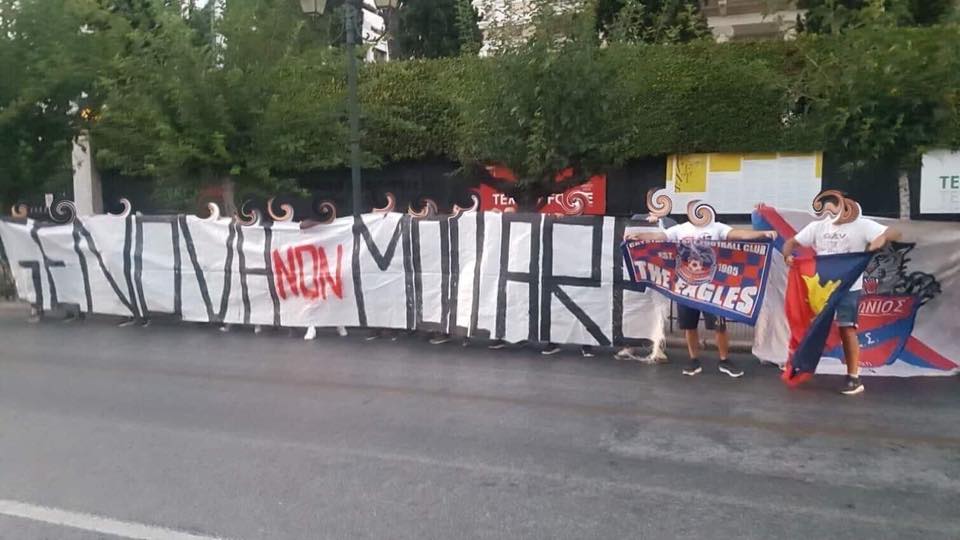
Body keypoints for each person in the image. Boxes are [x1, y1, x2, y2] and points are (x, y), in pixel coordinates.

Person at [782, 195, 901, 395]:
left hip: (848, 287)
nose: (830, 210)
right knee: (807, 325)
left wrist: (882, 238)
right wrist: (787, 256)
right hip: (822, 287)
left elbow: (895, 232)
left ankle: (853, 378)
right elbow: (791, 242)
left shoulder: (862, 225)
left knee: (847, 329)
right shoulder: (818, 227)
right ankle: (799, 364)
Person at [627, 217, 776, 377]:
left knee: (719, 326)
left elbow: (739, 234)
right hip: (685, 288)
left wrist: (762, 233)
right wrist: (639, 236)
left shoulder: (717, 227)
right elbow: (660, 237)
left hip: (712, 288)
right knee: (689, 326)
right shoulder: (680, 229)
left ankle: (724, 360)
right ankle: (694, 359)